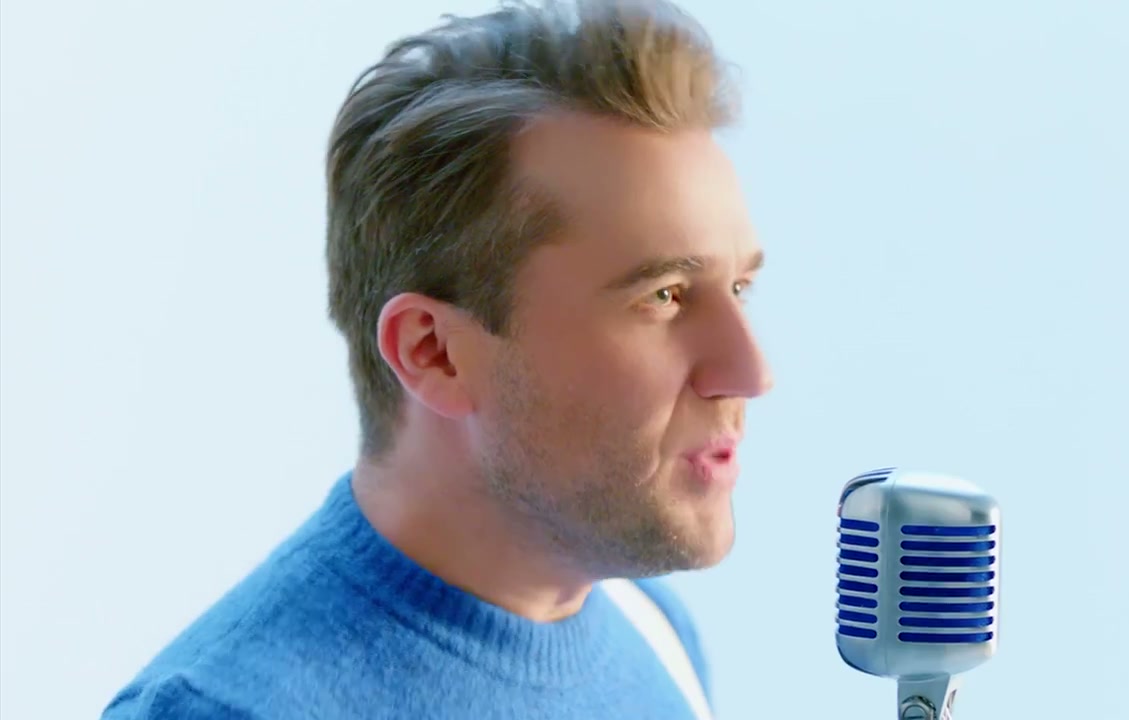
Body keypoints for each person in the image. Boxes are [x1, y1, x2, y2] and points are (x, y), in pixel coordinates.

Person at [101, 0, 772, 717]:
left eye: (739, 287)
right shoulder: (230, 709)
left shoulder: (655, 631)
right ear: (434, 353)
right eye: (664, 296)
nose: (751, 374)